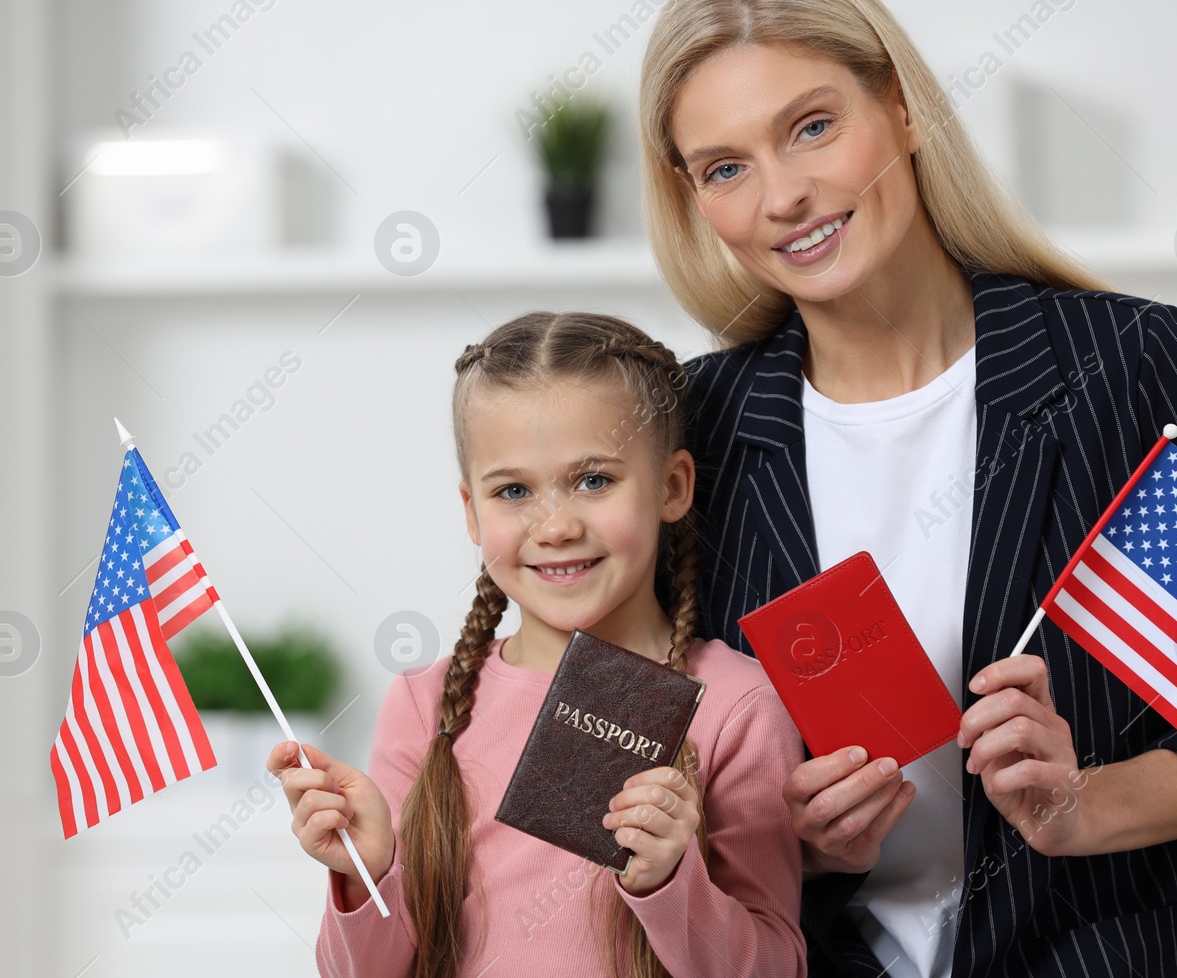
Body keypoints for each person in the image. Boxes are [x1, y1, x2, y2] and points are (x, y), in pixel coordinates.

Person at [636, 0, 1177, 978]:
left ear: (903, 108)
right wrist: (789, 843)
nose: (782, 194)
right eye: (727, 167)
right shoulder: (693, 429)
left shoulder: (1123, 371)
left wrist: (1080, 806)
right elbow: (637, 775)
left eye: (812, 126)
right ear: (695, 199)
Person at [268, 311, 809, 978]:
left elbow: (776, 965)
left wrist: (672, 880)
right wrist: (369, 871)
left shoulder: (737, 703)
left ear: (672, 486)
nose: (554, 525)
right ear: (471, 510)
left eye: (594, 480)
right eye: (515, 490)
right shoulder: (426, 704)